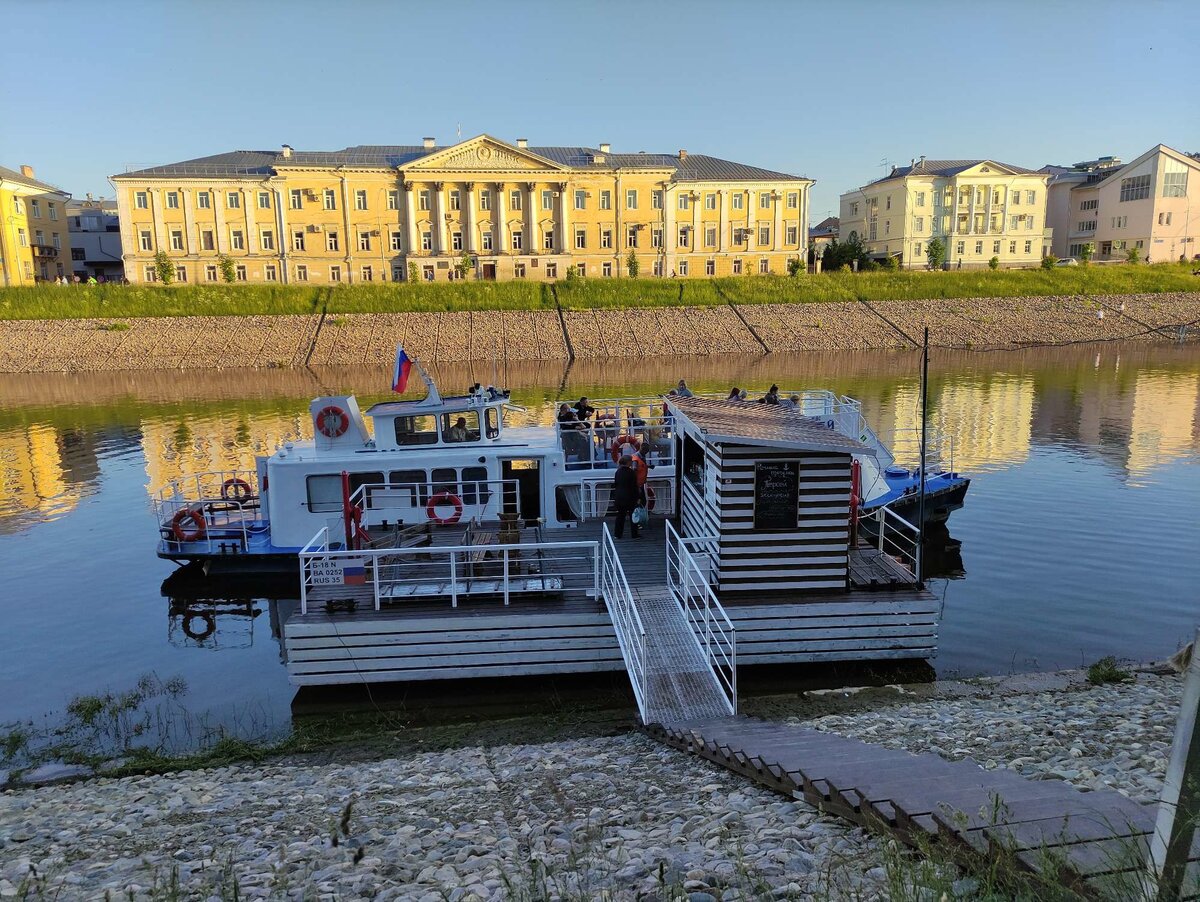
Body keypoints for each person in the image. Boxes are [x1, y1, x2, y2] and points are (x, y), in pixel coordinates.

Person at [612, 455, 640, 539]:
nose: (632, 462)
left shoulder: (618, 472)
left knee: (620, 516)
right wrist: (638, 497)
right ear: (628, 462)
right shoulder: (631, 472)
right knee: (633, 515)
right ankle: (634, 534)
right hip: (630, 497)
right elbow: (634, 486)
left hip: (619, 496)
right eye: (631, 461)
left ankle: (618, 534)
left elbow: (616, 484)